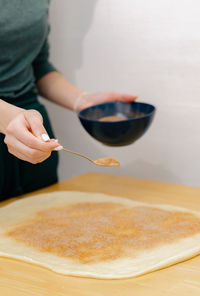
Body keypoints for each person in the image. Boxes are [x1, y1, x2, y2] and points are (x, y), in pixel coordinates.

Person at [0, 1, 137, 200]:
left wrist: (82, 100)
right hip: (18, 122)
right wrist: (7, 117)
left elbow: (36, 64)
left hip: (34, 135)